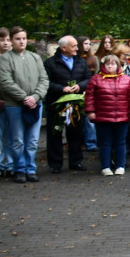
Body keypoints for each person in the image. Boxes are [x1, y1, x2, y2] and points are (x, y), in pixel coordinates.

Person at [0, 27, 48, 183]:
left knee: (32, 140)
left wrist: (36, 96)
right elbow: (5, 82)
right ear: (12, 40)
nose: (21, 41)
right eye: (18, 39)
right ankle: (19, 168)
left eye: (24, 38)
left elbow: (44, 79)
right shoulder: (5, 59)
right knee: (17, 139)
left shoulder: (35, 57)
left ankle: (30, 168)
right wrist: (24, 97)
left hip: (35, 104)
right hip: (15, 105)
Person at [84, 54, 130, 176]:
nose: (110, 66)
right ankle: (105, 166)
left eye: (113, 64)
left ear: (118, 65)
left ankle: (120, 165)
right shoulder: (96, 79)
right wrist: (90, 111)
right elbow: (89, 97)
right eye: (107, 64)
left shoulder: (126, 79)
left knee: (120, 142)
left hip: (122, 116)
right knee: (105, 143)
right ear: (103, 66)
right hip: (103, 117)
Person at [44, 35, 91, 174]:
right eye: (74, 46)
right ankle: (55, 164)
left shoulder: (80, 62)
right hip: (56, 103)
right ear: (64, 48)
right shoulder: (50, 63)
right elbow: (45, 82)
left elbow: (88, 78)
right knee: (55, 133)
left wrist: (80, 86)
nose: (77, 48)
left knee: (76, 133)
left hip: (75, 103)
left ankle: (76, 161)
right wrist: (61, 89)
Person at [77, 36, 101, 152]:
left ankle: (91, 143)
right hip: (76, 89)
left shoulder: (94, 58)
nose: (87, 46)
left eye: (89, 43)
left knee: (89, 117)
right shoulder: (75, 59)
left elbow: (96, 75)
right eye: (85, 43)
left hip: (90, 90)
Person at [0, 27, 13, 177]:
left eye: (8, 40)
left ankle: (11, 163)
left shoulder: (16, 59)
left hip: (14, 102)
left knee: (13, 135)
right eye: (2, 40)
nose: (5, 43)